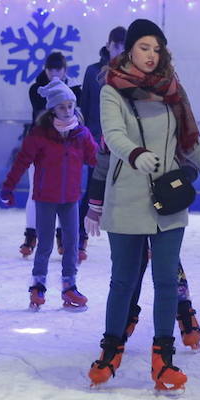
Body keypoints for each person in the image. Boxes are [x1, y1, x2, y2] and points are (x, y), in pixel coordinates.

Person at [86, 19, 200, 391]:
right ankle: (110, 351)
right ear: (129, 50)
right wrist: (134, 154)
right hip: (127, 199)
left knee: (166, 282)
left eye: (157, 49)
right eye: (144, 48)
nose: (151, 56)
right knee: (122, 281)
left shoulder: (173, 91)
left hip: (167, 199)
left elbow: (190, 142)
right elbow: (113, 134)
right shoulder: (111, 91)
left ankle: (163, 359)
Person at [84, 139, 200, 350]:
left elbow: (193, 151)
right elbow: (104, 160)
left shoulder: (174, 114)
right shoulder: (115, 123)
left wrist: (182, 178)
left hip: (165, 200)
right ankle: (124, 318)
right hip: (127, 204)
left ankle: (184, 311)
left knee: (167, 265)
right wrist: (95, 203)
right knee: (132, 264)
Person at [1, 78, 97, 311]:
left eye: (70, 106)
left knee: (72, 243)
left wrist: (109, 154)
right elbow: (22, 161)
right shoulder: (40, 135)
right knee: (44, 243)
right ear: (53, 108)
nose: (67, 111)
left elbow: (95, 160)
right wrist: (9, 186)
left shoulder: (81, 134)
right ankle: (38, 285)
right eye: (62, 107)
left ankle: (69, 285)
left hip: (71, 198)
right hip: (45, 198)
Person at [18, 52, 83, 258]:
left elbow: (77, 119)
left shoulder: (75, 90)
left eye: (58, 69)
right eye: (50, 69)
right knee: (35, 192)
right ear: (45, 69)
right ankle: (31, 235)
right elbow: (43, 117)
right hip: (39, 148)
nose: (54, 73)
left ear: (65, 70)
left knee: (63, 193)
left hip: (66, 149)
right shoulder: (36, 90)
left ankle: (62, 235)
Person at [77, 26, 126, 261]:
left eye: (123, 47)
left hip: (124, 143)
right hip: (96, 141)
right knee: (91, 190)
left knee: (123, 192)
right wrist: (85, 138)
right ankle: (79, 238)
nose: (119, 51)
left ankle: (128, 241)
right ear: (108, 45)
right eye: (116, 46)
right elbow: (85, 108)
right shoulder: (93, 72)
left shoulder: (130, 74)